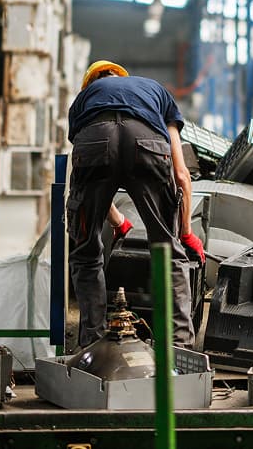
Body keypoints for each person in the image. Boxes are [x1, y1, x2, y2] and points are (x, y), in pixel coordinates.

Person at [66, 60, 205, 348]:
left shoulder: (84, 100)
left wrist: (119, 223)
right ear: (121, 77)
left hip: (94, 141)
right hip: (147, 142)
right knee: (169, 253)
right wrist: (185, 233)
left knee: (86, 252)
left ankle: (92, 346)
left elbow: (92, 180)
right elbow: (181, 174)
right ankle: (180, 347)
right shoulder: (154, 91)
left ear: (91, 83)